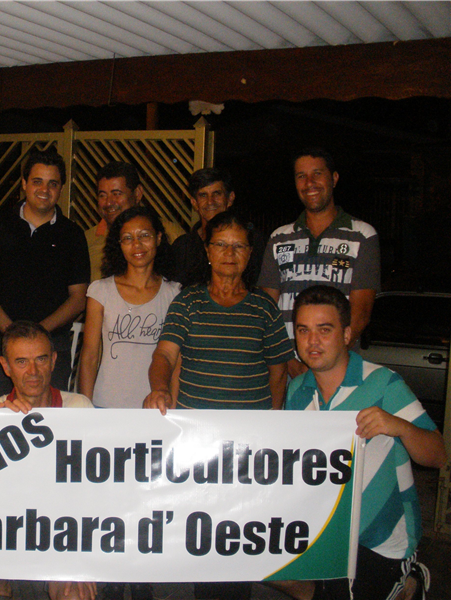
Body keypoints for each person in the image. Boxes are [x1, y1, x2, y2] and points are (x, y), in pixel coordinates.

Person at [284, 285, 446, 600]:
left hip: (381, 539)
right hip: (327, 530)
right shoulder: (298, 390)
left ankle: (409, 580)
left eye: (324, 330)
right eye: (303, 330)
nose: (312, 341)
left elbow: (438, 455)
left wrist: (400, 427)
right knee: (270, 569)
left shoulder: (383, 383)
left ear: (346, 335)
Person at [0, 321, 95, 600]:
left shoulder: (79, 407)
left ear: (54, 360)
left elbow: (96, 487)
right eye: (21, 362)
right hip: (7, 530)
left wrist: (80, 561)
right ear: (6, 367)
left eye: (41, 359)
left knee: (74, 596)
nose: (32, 371)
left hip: (60, 531)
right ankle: (1, 588)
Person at [145, 209, 293, 413]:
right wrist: (160, 390)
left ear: (250, 253)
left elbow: (278, 372)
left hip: (251, 426)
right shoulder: (187, 302)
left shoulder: (265, 307)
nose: (229, 253)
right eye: (221, 244)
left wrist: (271, 419)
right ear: (208, 250)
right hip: (196, 425)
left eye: (239, 246)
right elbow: (165, 355)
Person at [258, 147, 380, 378]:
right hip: (286, 371)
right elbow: (267, 311)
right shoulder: (279, 238)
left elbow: (361, 313)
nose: (309, 183)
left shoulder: (362, 235)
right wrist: (289, 362)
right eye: (301, 176)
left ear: (334, 178)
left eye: (317, 173)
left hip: (337, 369)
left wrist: (323, 362)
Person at [0, 148, 90, 398]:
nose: (44, 189)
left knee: (51, 415)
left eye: (53, 183)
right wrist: (11, 333)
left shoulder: (72, 235)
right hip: (2, 346)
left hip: (52, 348)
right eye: (37, 181)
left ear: (61, 188)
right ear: (24, 183)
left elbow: (78, 298)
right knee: (0, 413)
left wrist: (38, 334)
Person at [79, 205, 180, 409]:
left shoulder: (174, 294)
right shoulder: (100, 291)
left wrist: (174, 406)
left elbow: (177, 361)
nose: (137, 244)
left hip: (156, 406)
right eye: (127, 238)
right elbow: (89, 356)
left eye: (144, 235)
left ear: (158, 238)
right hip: (105, 403)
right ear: (119, 244)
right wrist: (85, 407)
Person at [86, 161, 185, 282]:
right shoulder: (87, 240)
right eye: (102, 195)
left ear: (137, 193)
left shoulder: (169, 233)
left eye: (116, 194)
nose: (109, 202)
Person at [171, 168, 264, 287]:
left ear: (230, 198)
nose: (210, 201)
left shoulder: (252, 241)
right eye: (203, 195)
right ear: (194, 203)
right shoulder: (182, 247)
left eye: (217, 194)